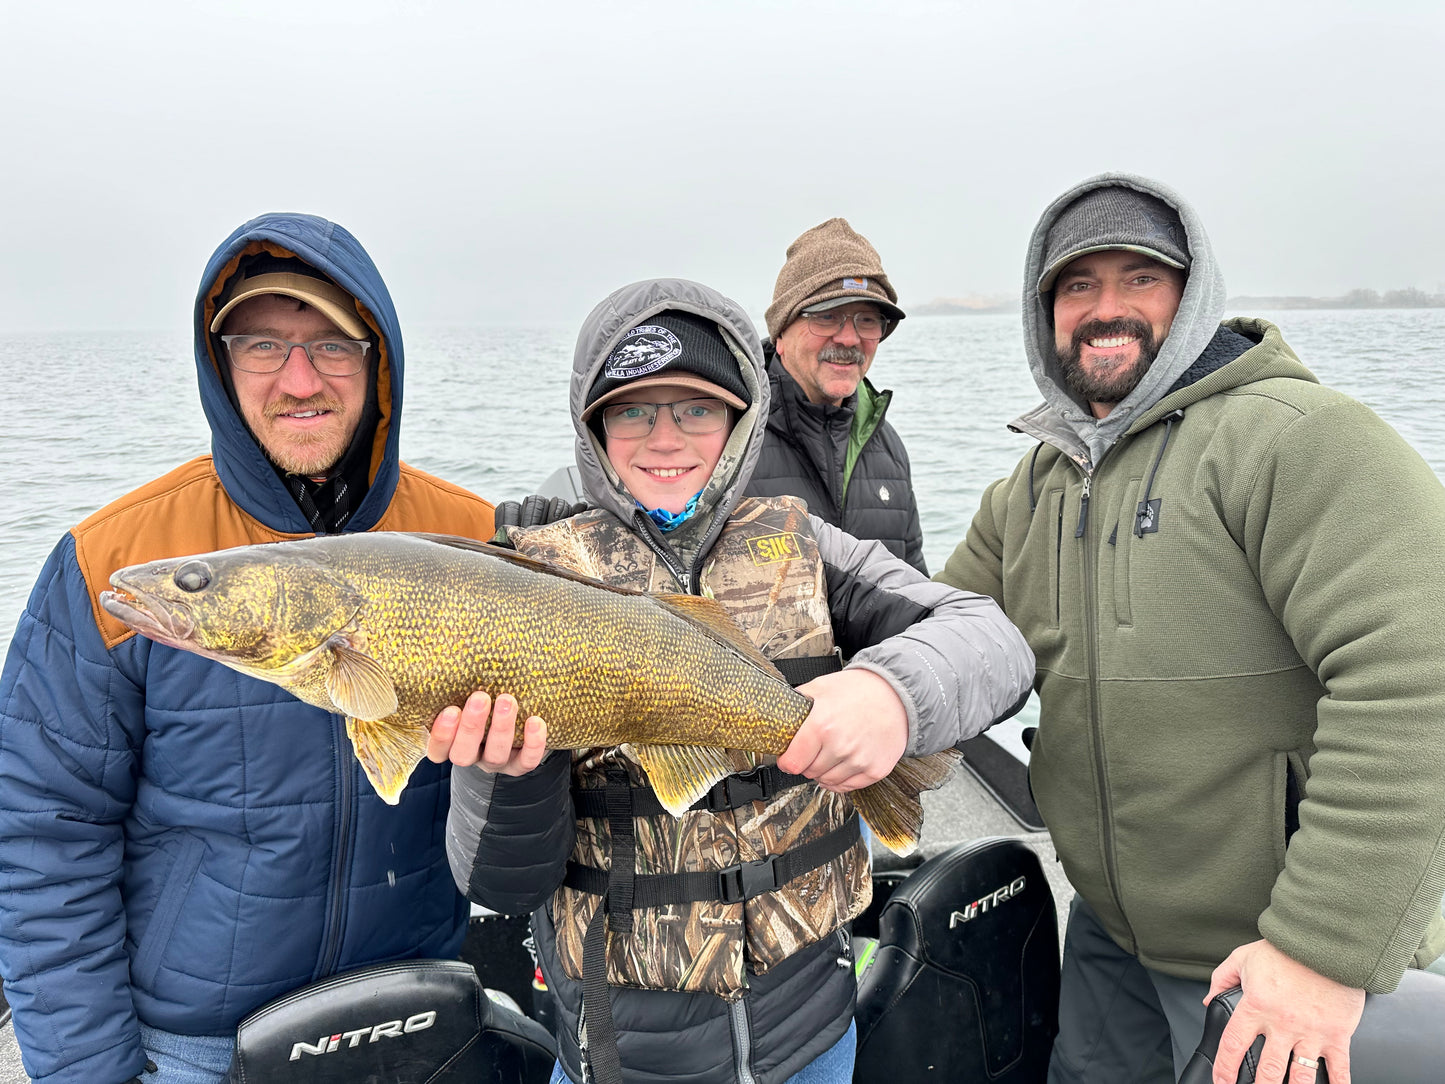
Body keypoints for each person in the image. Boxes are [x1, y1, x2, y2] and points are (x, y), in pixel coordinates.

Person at [428, 277, 1034, 1084]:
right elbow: (502, 882)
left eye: (697, 409)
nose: (665, 437)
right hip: (628, 1052)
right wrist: (502, 771)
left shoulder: (803, 542)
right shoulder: (531, 574)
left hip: (813, 1023)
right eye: (632, 409)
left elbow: (992, 640)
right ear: (593, 425)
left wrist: (890, 694)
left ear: (740, 420)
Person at [935, 173, 1445, 1084]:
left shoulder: (1299, 439)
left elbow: (1418, 679)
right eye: (1077, 285)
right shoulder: (1031, 486)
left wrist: (1324, 948)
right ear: (1041, 310)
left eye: (1141, 278)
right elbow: (947, 634)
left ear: (1194, 291)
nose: (1106, 309)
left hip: (1275, 957)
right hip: (1109, 929)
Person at [0, 214, 495, 1084]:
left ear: (377, 361)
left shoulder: (476, 538)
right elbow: (43, 839)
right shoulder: (111, 563)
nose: (299, 379)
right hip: (197, 1050)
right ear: (220, 364)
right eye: (262, 344)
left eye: (333, 345)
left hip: (422, 1018)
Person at [747, 218, 928, 573]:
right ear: (781, 332)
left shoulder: (888, 448)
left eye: (867, 320)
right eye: (827, 316)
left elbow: (916, 588)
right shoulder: (728, 437)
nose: (849, 338)